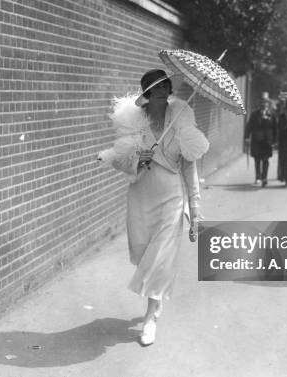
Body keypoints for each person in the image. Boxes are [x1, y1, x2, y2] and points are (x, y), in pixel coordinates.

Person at [98, 69, 209, 346]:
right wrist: (139, 158)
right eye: (156, 88)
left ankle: (151, 317)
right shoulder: (135, 124)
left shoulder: (183, 122)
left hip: (171, 198)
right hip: (142, 196)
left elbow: (190, 171)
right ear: (147, 94)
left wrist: (195, 213)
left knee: (160, 258)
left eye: (166, 86)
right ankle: (154, 302)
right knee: (144, 253)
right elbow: (121, 160)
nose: (163, 91)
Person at [244, 97, 277, 187]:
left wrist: (274, 141)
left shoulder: (272, 115)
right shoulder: (254, 114)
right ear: (259, 105)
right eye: (262, 103)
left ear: (267, 105)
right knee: (257, 160)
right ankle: (258, 177)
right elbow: (249, 126)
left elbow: (275, 128)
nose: (263, 105)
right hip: (257, 140)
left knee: (266, 160)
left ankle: (264, 178)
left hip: (267, 142)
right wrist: (247, 137)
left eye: (265, 103)